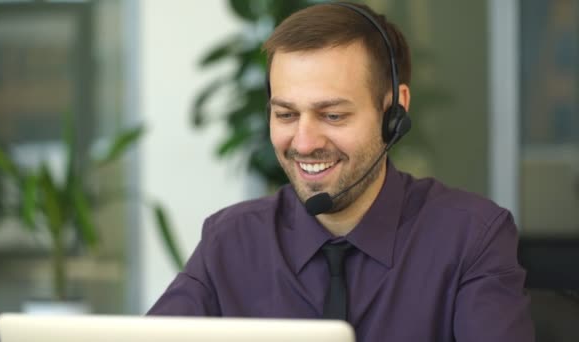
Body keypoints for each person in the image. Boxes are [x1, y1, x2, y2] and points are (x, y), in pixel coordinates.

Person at [148, 2, 535, 341]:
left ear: (394, 111)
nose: (303, 142)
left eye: (332, 115)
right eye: (285, 114)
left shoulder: (471, 238)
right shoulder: (231, 240)